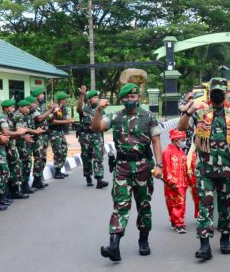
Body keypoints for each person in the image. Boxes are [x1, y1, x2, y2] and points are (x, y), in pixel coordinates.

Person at [179, 77, 230, 260]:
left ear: (225, 93)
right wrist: (188, 112)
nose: (217, 94)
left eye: (220, 91)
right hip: (205, 169)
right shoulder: (200, 111)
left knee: (227, 205)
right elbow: (181, 127)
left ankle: (225, 238)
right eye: (214, 91)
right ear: (210, 92)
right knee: (205, 206)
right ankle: (204, 245)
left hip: (227, 167)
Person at [93, 83, 163, 262]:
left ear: (138, 98)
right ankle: (114, 245)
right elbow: (96, 127)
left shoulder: (148, 117)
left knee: (144, 206)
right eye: (127, 98)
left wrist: (159, 165)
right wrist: (98, 110)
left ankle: (143, 239)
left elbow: (155, 141)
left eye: (133, 97)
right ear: (122, 99)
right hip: (122, 167)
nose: (130, 100)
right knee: (120, 206)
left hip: (143, 168)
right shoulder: (115, 117)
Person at [162, 129, 194, 234]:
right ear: (175, 140)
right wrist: (171, 182)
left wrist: (190, 180)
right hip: (172, 183)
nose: (184, 142)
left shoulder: (181, 152)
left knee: (180, 203)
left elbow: (185, 167)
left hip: (182, 183)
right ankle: (176, 221)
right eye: (182, 140)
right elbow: (166, 168)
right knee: (172, 203)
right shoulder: (167, 152)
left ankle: (178, 222)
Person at [77, 86, 108, 188]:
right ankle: (88, 176)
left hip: (97, 135)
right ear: (89, 99)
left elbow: (105, 121)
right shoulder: (84, 108)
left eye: (97, 97)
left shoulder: (100, 109)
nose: (97, 99)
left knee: (98, 157)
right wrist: (82, 94)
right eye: (94, 97)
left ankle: (99, 180)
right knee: (86, 158)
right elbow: (78, 108)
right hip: (85, 136)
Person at [49, 91, 72, 180]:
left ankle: (60, 169)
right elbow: (52, 121)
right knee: (58, 151)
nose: (66, 100)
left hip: (61, 132)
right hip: (54, 132)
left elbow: (66, 117)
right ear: (60, 100)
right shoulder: (55, 108)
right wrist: (65, 122)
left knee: (64, 150)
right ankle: (57, 171)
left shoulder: (64, 108)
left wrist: (68, 120)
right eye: (64, 99)